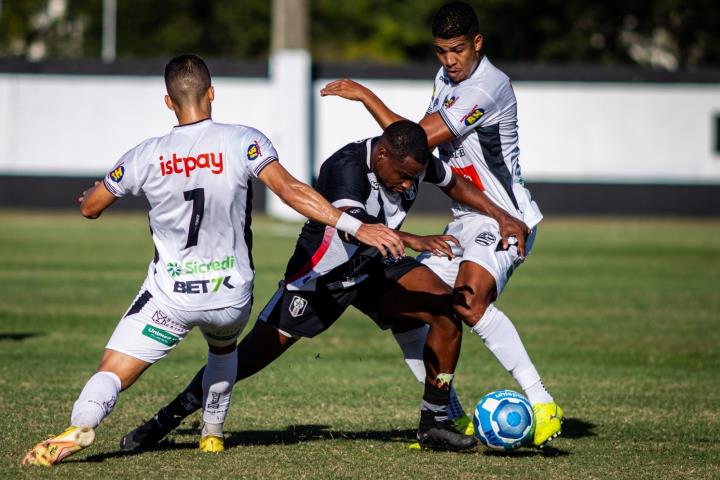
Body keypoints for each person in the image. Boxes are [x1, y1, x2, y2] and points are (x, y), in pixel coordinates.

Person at [21, 54, 407, 467]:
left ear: (169, 102)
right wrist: (355, 225)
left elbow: (92, 207)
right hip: (230, 297)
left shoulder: (144, 155)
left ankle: (81, 424)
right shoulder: (244, 140)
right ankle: (212, 434)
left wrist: (94, 195)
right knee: (223, 351)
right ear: (211, 94)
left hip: (172, 297)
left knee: (112, 371)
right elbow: (291, 189)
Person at [120, 120, 529, 453]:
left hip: (375, 268)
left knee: (445, 308)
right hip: (320, 281)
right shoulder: (346, 167)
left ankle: (434, 421)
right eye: (403, 177)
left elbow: (453, 183)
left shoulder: (411, 161)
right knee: (242, 361)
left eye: (414, 179)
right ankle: (167, 418)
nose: (409, 186)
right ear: (382, 154)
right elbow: (354, 232)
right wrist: (415, 240)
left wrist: (500, 215)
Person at [320, 1, 564, 447]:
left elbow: (413, 140)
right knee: (407, 306)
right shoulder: (445, 79)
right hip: (464, 219)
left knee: (468, 304)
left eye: (456, 50)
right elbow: (413, 147)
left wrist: (367, 97)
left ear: (477, 43)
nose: (449, 61)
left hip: (503, 216)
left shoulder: (486, 88)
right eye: (439, 51)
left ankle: (543, 402)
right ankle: (444, 414)